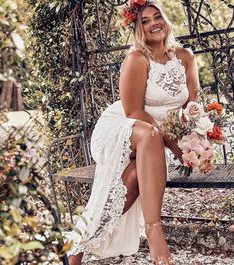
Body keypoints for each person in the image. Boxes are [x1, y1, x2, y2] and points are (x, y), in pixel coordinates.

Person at [68, 0, 199, 264]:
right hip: (123, 126)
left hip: (153, 136)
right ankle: (154, 233)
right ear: (138, 30)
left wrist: (196, 142)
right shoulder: (137, 58)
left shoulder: (185, 57)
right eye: (145, 21)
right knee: (149, 133)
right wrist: (173, 146)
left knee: (127, 186)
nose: (154, 24)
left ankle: (73, 248)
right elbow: (133, 112)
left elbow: (193, 104)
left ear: (165, 18)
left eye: (156, 16)